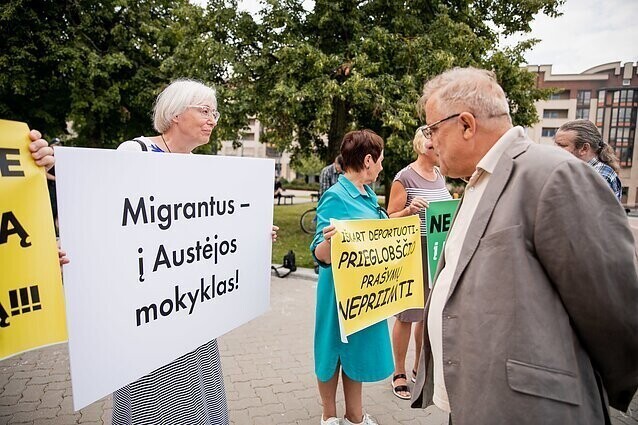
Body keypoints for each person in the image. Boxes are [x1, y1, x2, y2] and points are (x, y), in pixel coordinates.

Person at [410, 67, 638, 424]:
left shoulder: (554, 174)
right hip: (472, 403)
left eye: (432, 129)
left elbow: (615, 309)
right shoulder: (475, 182)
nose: (430, 141)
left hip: (529, 411)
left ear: (467, 125)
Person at [115, 78, 277, 424]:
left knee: (196, 394)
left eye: (214, 112)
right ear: (175, 113)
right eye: (204, 110)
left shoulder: (202, 166)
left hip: (193, 302)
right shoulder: (136, 153)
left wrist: (251, 234)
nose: (212, 119)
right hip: (153, 305)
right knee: (152, 397)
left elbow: (210, 231)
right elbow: (115, 224)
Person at [311, 130, 392, 425]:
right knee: (331, 351)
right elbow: (319, 253)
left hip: (363, 292)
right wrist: (330, 243)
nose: (382, 167)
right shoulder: (336, 196)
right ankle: (329, 415)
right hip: (337, 293)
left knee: (355, 350)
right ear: (368, 161)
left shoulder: (368, 195)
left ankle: (355, 415)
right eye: (380, 160)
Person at [386, 128, 451, 400]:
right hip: (412, 251)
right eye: (430, 139)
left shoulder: (440, 175)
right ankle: (398, 372)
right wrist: (409, 211)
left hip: (436, 253)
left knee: (425, 316)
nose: (434, 144)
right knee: (406, 315)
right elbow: (389, 218)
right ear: (420, 143)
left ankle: (418, 367)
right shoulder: (404, 177)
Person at [554, 119, 622, 200]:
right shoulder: (578, 171)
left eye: (562, 145)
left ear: (584, 148)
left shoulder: (600, 176)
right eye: (556, 144)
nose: (555, 149)